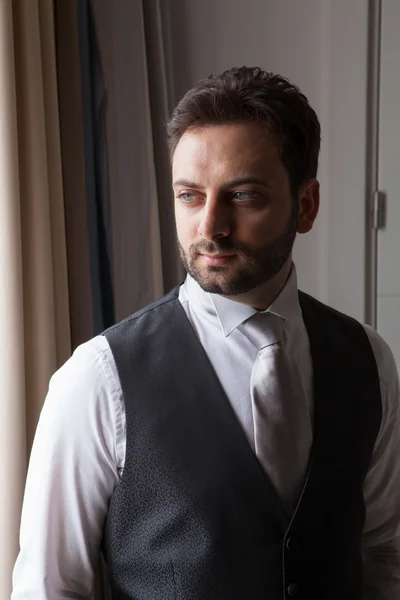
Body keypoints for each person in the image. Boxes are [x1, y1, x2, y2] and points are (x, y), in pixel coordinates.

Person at [12, 66, 400, 599]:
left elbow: (383, 549)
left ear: (305, 205)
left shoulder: (369, 361)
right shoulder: (97, 379)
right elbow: (47, 589)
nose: (210, 227)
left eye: (242, 196)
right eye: (190, 196)